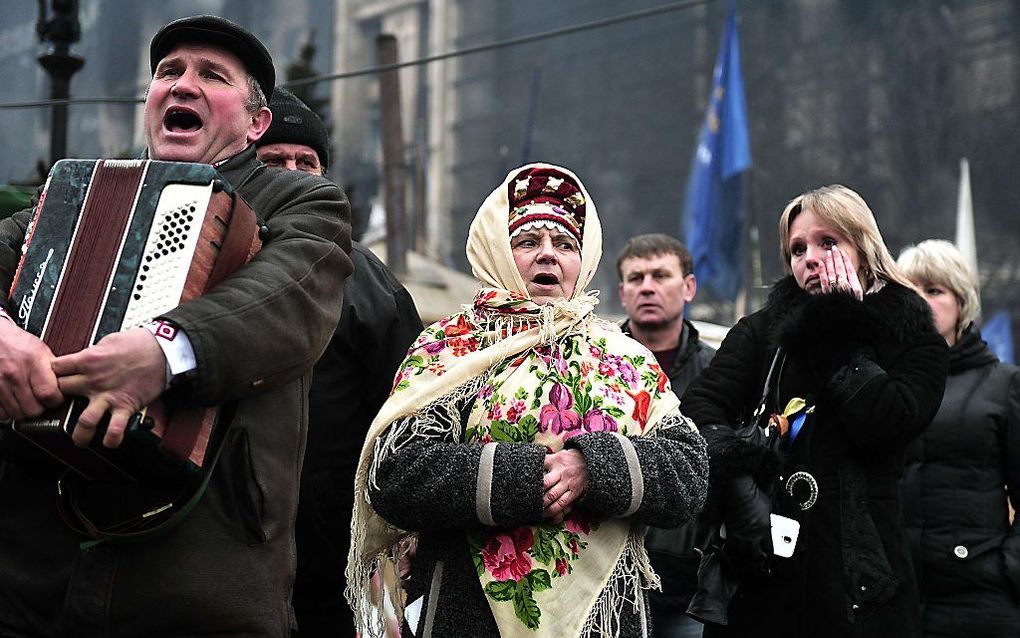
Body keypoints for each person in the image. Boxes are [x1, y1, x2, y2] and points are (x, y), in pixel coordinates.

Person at [0, 15, 353, 636]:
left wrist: (165, 353)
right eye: (169, 72)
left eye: (211, 76)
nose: (183, 85)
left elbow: (290, 298)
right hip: (38, 581)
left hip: (199, 580)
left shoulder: (301, 204)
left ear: (256, 122)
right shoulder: (67, 198)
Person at [345, 163, 709, 637]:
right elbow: (397, 471)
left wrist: (590, 469)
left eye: (565, 244)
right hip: (466, 613)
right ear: (497, 248)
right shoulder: (450, 347)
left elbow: (689, 469)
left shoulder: (622, 357)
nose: (549, 256)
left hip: (603, 621)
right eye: (527, 241)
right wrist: (528, 478)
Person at [681, 184, 948, 637]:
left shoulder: (914, 338)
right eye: (798, 248)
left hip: (859, 578)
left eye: (828, 242)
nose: (810, 257)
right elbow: (698, 409)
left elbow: (885, 424)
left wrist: (838, 327)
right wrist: (741, 473)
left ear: (863, 249)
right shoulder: (762, 331)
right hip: (764, 568)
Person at [256, 87, 424, 636]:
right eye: (274, 160)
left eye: (307, 162)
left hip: (332, 558)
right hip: (222, 544)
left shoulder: (367, 279)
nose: (293, 172)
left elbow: (412, 409)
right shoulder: (201, 259)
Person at [896, 239, 1020, 637]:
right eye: (910, 291)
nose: (920, 302)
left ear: (961, 302)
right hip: (896, 600)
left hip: (979, 602)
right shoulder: (881, 385)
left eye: (933, 291)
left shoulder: (1004, 385)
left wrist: (1007, 570)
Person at [616, 233, 715, 636]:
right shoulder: (591, 367)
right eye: (636, 278)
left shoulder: (719, 372)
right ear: (622, 292)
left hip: (688, 587)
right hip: (609, 582)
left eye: (660, 275)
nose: (648, 287)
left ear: (688, 286)